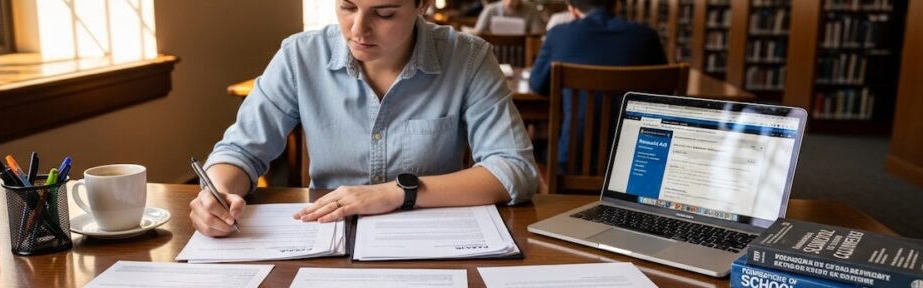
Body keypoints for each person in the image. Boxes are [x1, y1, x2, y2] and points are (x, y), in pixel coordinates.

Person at [190, 0, 539, 237]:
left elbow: (514, 169)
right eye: (347, 6)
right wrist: (217, 193)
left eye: (384, 13)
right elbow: (240, 151)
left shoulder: (468, 58)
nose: (358, 29)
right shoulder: (300, 56)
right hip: (324, 238)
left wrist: (397, 193)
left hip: (431, 239)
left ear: (422, 5)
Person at [528, 0, 666, 171]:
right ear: (615, 5)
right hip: (637, 160)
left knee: (537, 149)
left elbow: (537, 84)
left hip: (572, 160)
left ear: (572, 10)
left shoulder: (559, 34)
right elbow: (664, 94)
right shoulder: (647, 36)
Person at [474, 0, 546, 35]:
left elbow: (536, 35)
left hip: (522, 55)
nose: (510, 1)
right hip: (494, 54)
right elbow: (477, 34)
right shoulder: (490, 9)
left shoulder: (531, 10)